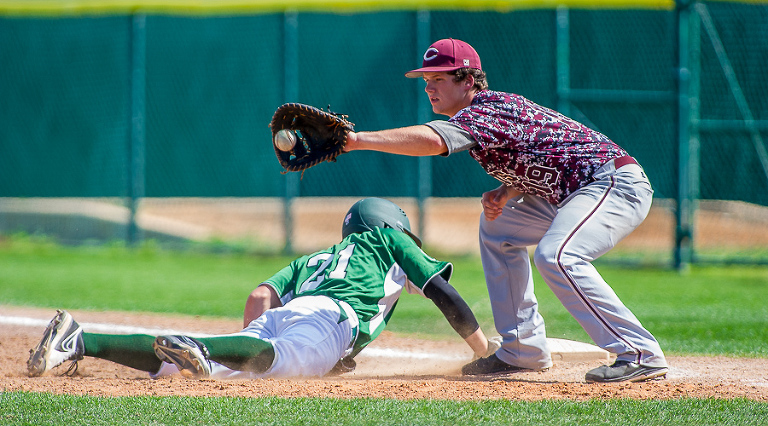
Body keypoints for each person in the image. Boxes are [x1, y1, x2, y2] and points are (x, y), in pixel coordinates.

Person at [342, 38, 668, 383]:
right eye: (426, 80)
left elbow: (435, 141)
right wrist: (508, 188)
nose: (429, 87)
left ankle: (638, 353)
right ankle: (522, 350)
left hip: (610, 183)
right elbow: (544, 152)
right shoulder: (481, 116)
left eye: (439, 79)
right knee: (499, 229)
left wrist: (357, 140)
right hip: (570, 192)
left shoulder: (488, 107)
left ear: (468, 81)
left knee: (557, 256)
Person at [27, 197, 498, 380]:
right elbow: (443, 293)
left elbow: (259, 298)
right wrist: (483, 350)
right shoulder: (389, 239)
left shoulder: (315, 258)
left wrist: (250, 344)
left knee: (189, 369)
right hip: (332, 319)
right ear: (392, 226)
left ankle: (80, 339)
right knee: (285, 363)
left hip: (287, 314)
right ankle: (203, 346)